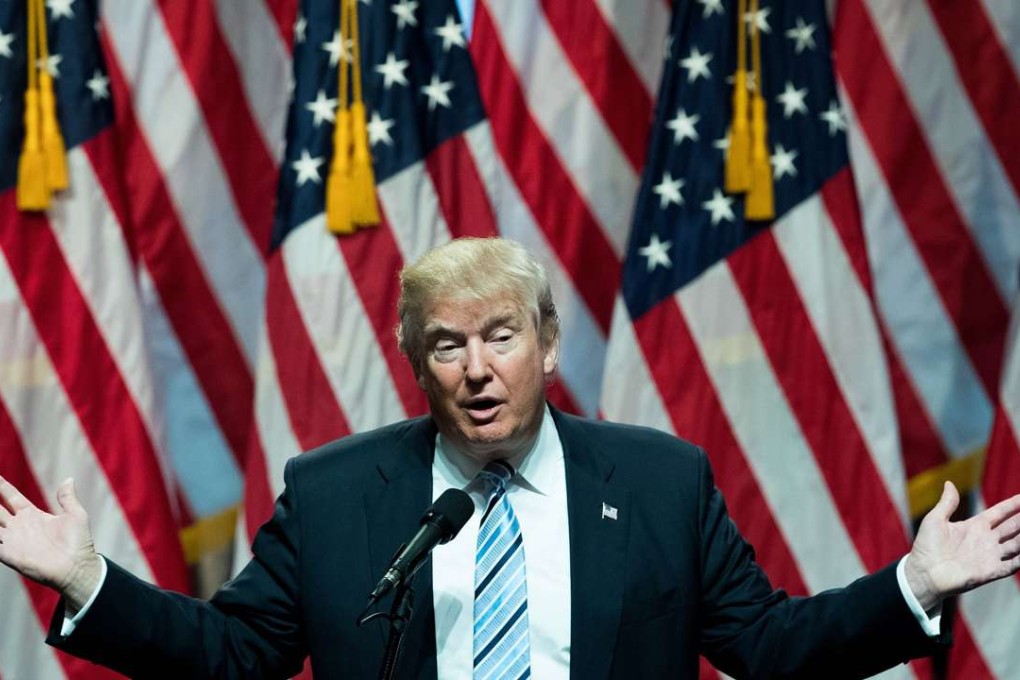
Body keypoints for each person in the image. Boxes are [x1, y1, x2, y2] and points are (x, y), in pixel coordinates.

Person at [1, 237, 1018, 679]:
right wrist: (90, 577)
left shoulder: (662, 481)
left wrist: (915, 582)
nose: (478, 368)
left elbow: (773, 647)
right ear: (415, 360)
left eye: (501, 335)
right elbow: (230, 657)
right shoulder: (337, 493)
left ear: (546, 340)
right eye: (448, 343)